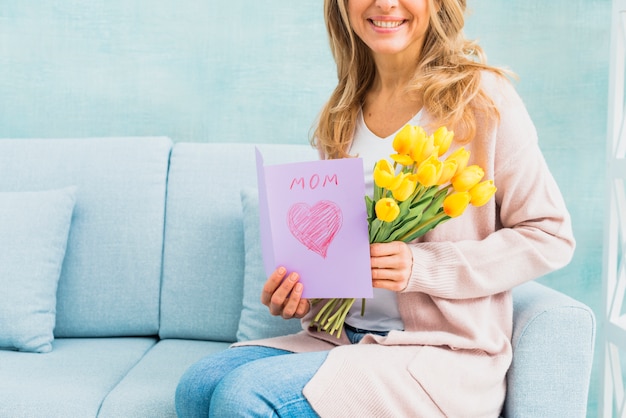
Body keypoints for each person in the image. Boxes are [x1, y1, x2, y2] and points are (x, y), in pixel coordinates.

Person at [175, 0, 575, 416]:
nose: (385, 3)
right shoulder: (343, 110)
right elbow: (342, 253)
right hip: (343, 337)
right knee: (198, 385)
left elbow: (549, 235)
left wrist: (421, 266)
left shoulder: (482, 100)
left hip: (438, 353)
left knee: (245, 395)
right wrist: (302, 294)